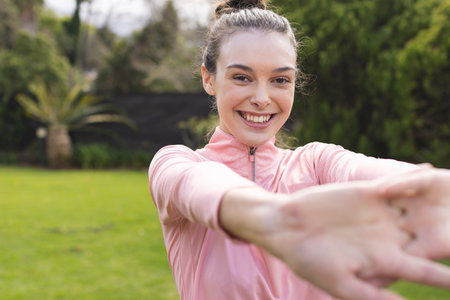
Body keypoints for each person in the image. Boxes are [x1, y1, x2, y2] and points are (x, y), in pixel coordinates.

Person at [148, 1, 450, 299]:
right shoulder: (175, 164)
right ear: (208, 78)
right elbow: (201, 187)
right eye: (242, 77)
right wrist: (278, 220)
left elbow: (385, 175)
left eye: (280, 80)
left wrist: (435, 190)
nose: (262, 98)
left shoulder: (316, 163)